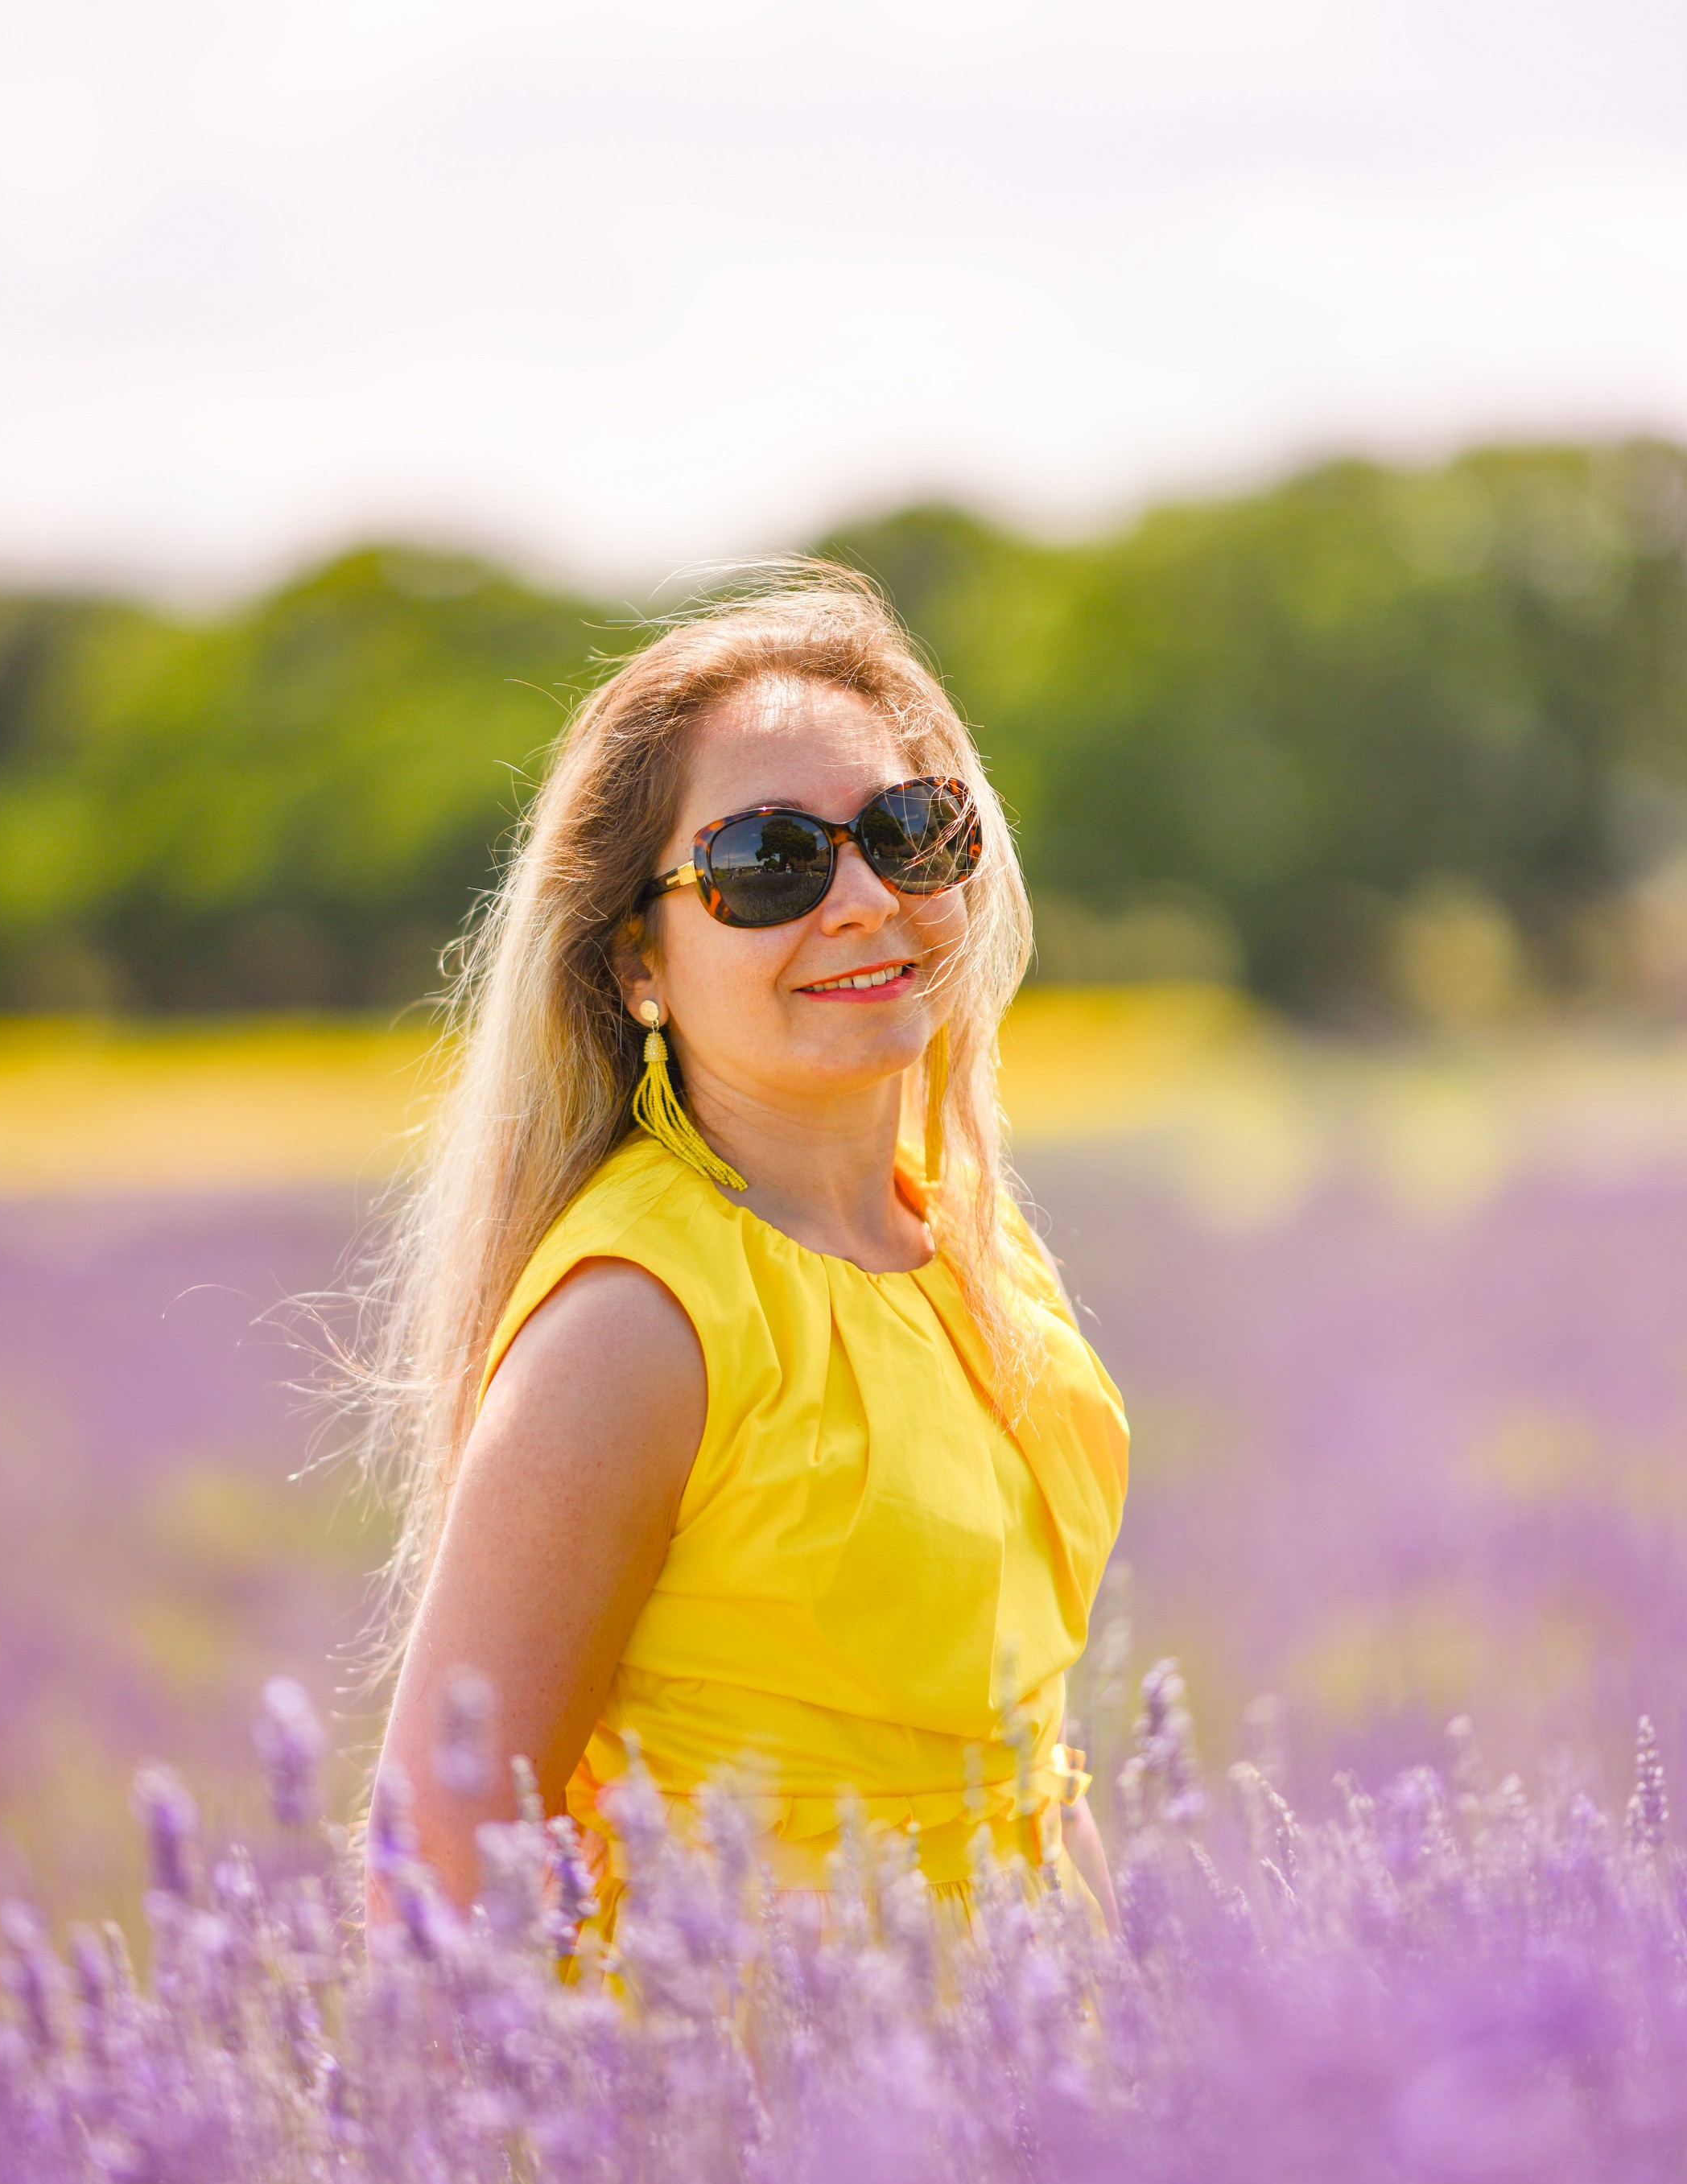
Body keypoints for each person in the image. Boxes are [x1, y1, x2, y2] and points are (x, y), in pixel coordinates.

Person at [365, 564, 1128, 1947]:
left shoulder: (965, 1243)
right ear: (635, 966)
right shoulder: (635, 1323)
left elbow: (1018, 1750)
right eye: (766, 862)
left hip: (1035, 2110)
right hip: (758, 2130)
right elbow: (438, 1866)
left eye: (908, 833)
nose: (860, 899)